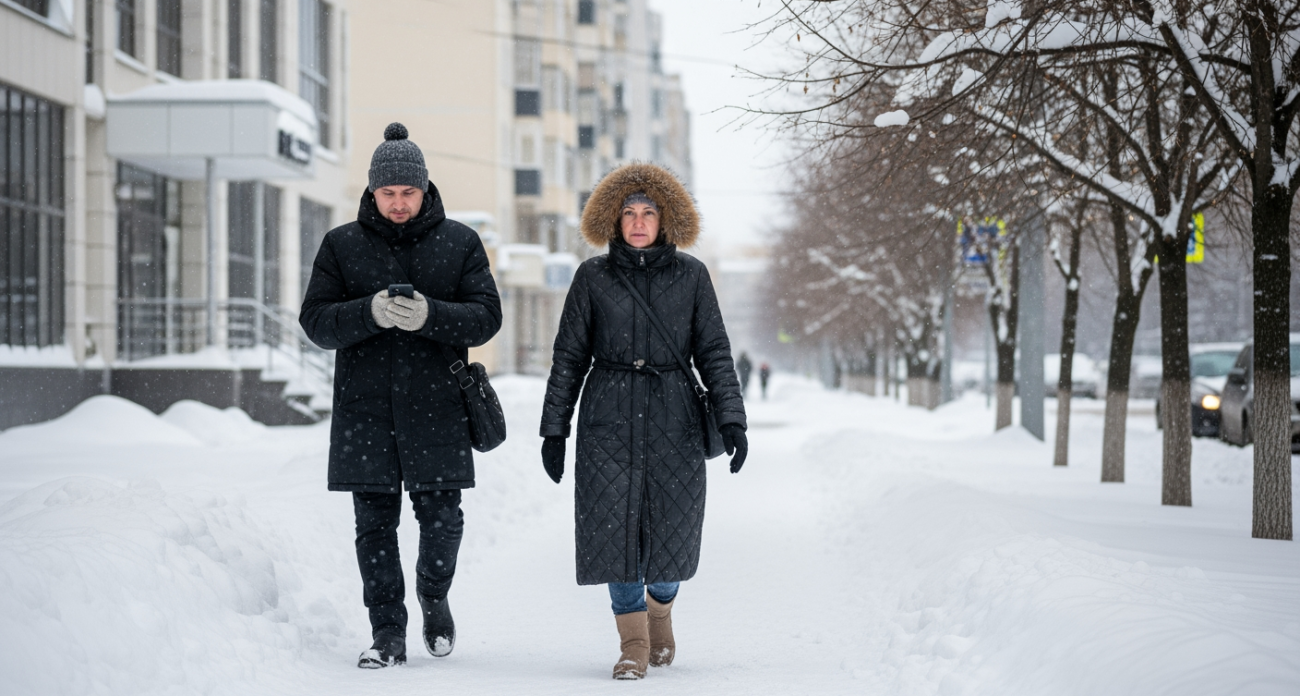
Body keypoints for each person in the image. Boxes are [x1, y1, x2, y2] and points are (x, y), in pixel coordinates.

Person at [300, 123, 502, 669]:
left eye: (407, 192)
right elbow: (315, 322)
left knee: (443, 521)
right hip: (364, 411)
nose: (397, 203)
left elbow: (487, 317)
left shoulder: (460, 242)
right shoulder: (341, 244)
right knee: (374, 528)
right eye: (387, 192)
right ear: (371, 191)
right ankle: (387, 631)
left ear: (425, 187)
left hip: (438, 407)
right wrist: (367, 312)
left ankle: (434, 596)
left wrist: (430, 315)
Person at [539, 163, 748, 680]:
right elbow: (568, 357)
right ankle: (633, 642)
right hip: (607, 417)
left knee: (673, 530)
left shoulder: (692, 276)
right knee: (614, 532)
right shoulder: (592, 277)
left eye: (647, 213)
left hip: (674, 418)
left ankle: (660, 612)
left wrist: (733, 420)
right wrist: (554, 429)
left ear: (664, 219)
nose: (637, 222)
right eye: (628, 212)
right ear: (614, 219)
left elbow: (714, 352)